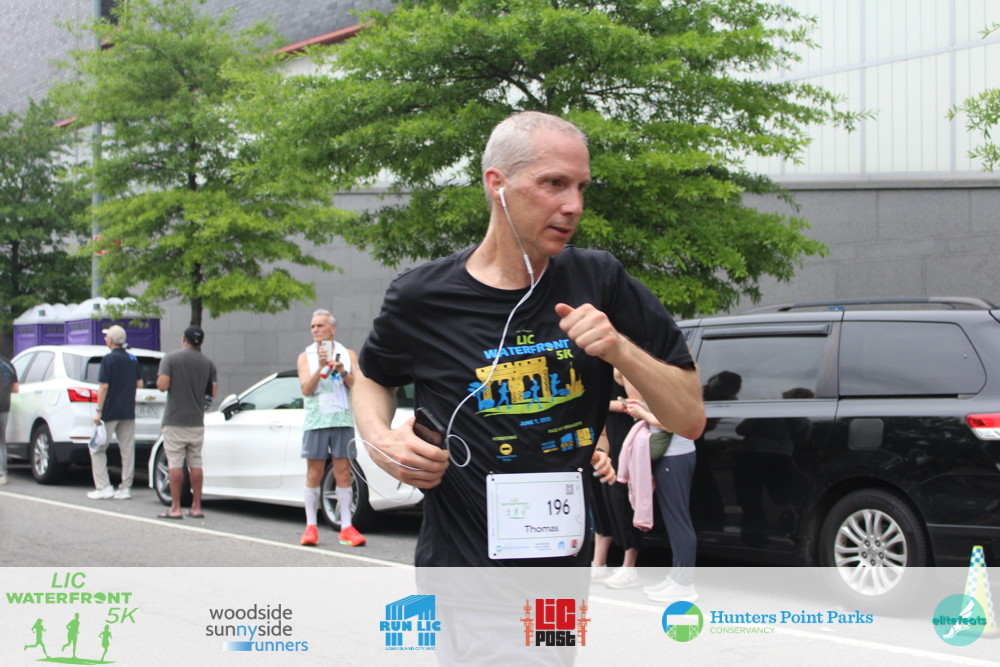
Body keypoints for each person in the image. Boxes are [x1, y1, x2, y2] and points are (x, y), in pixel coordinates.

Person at [352, 111, 705, 568]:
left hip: (560, 576)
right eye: (554, 183)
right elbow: (372, 376)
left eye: (581, 187)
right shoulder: (423, 295)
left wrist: (619, 348)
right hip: (459, 570)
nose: (574, 205)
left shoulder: (600, 279)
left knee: (550, 624)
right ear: (497, 184)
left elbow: (690, 420)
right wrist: (381, 442)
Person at [621, 385, 699, 603]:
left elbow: (669, 424)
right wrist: (643, 407)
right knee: (675, 519)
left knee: (678, 521)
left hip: (675, 456)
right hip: (674, 456)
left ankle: (683, 583)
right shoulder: (674, 382)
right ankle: (677, 577)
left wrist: (642, 412)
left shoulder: (674, 384)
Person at [296, 309, 364, 547]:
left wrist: (342, 371)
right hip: (317, 421)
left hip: (342, 419)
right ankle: (311, 527)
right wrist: (321, 367)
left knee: (343, 472)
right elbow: (306, 389)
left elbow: (357, 385)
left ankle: (346, 527)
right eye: (312, 326)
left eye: (320, 325)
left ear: (332, 329)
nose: (315, 330)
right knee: (314, 472)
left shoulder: (348, 353)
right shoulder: (305, 356)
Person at [156, 325, 217, 520]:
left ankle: (175, 507)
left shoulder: (171, 358)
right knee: (196, 463)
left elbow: (162, 385)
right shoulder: (208, 364)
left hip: (175, 420)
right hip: (197, 421)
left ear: (184, 338)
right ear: (202, 342)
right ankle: (196, 506)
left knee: (175, 463)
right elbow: (213, 392)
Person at [88, 325, 142, 500]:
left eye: (107, 337)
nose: (105, 339)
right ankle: (125, 487)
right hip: (128, 410)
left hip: (110, 410)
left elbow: (104, 386)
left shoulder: (108, 359)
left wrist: (99, 411)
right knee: (127, 450)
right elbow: (139, 383)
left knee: (98, 448)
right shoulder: (132, 358)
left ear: (111, 340)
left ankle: (103, 486)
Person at [0, 353, 19, 486]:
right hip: (4, 407)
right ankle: (2, 474)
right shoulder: (8, 364)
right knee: (1, 441)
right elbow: (16, 388)